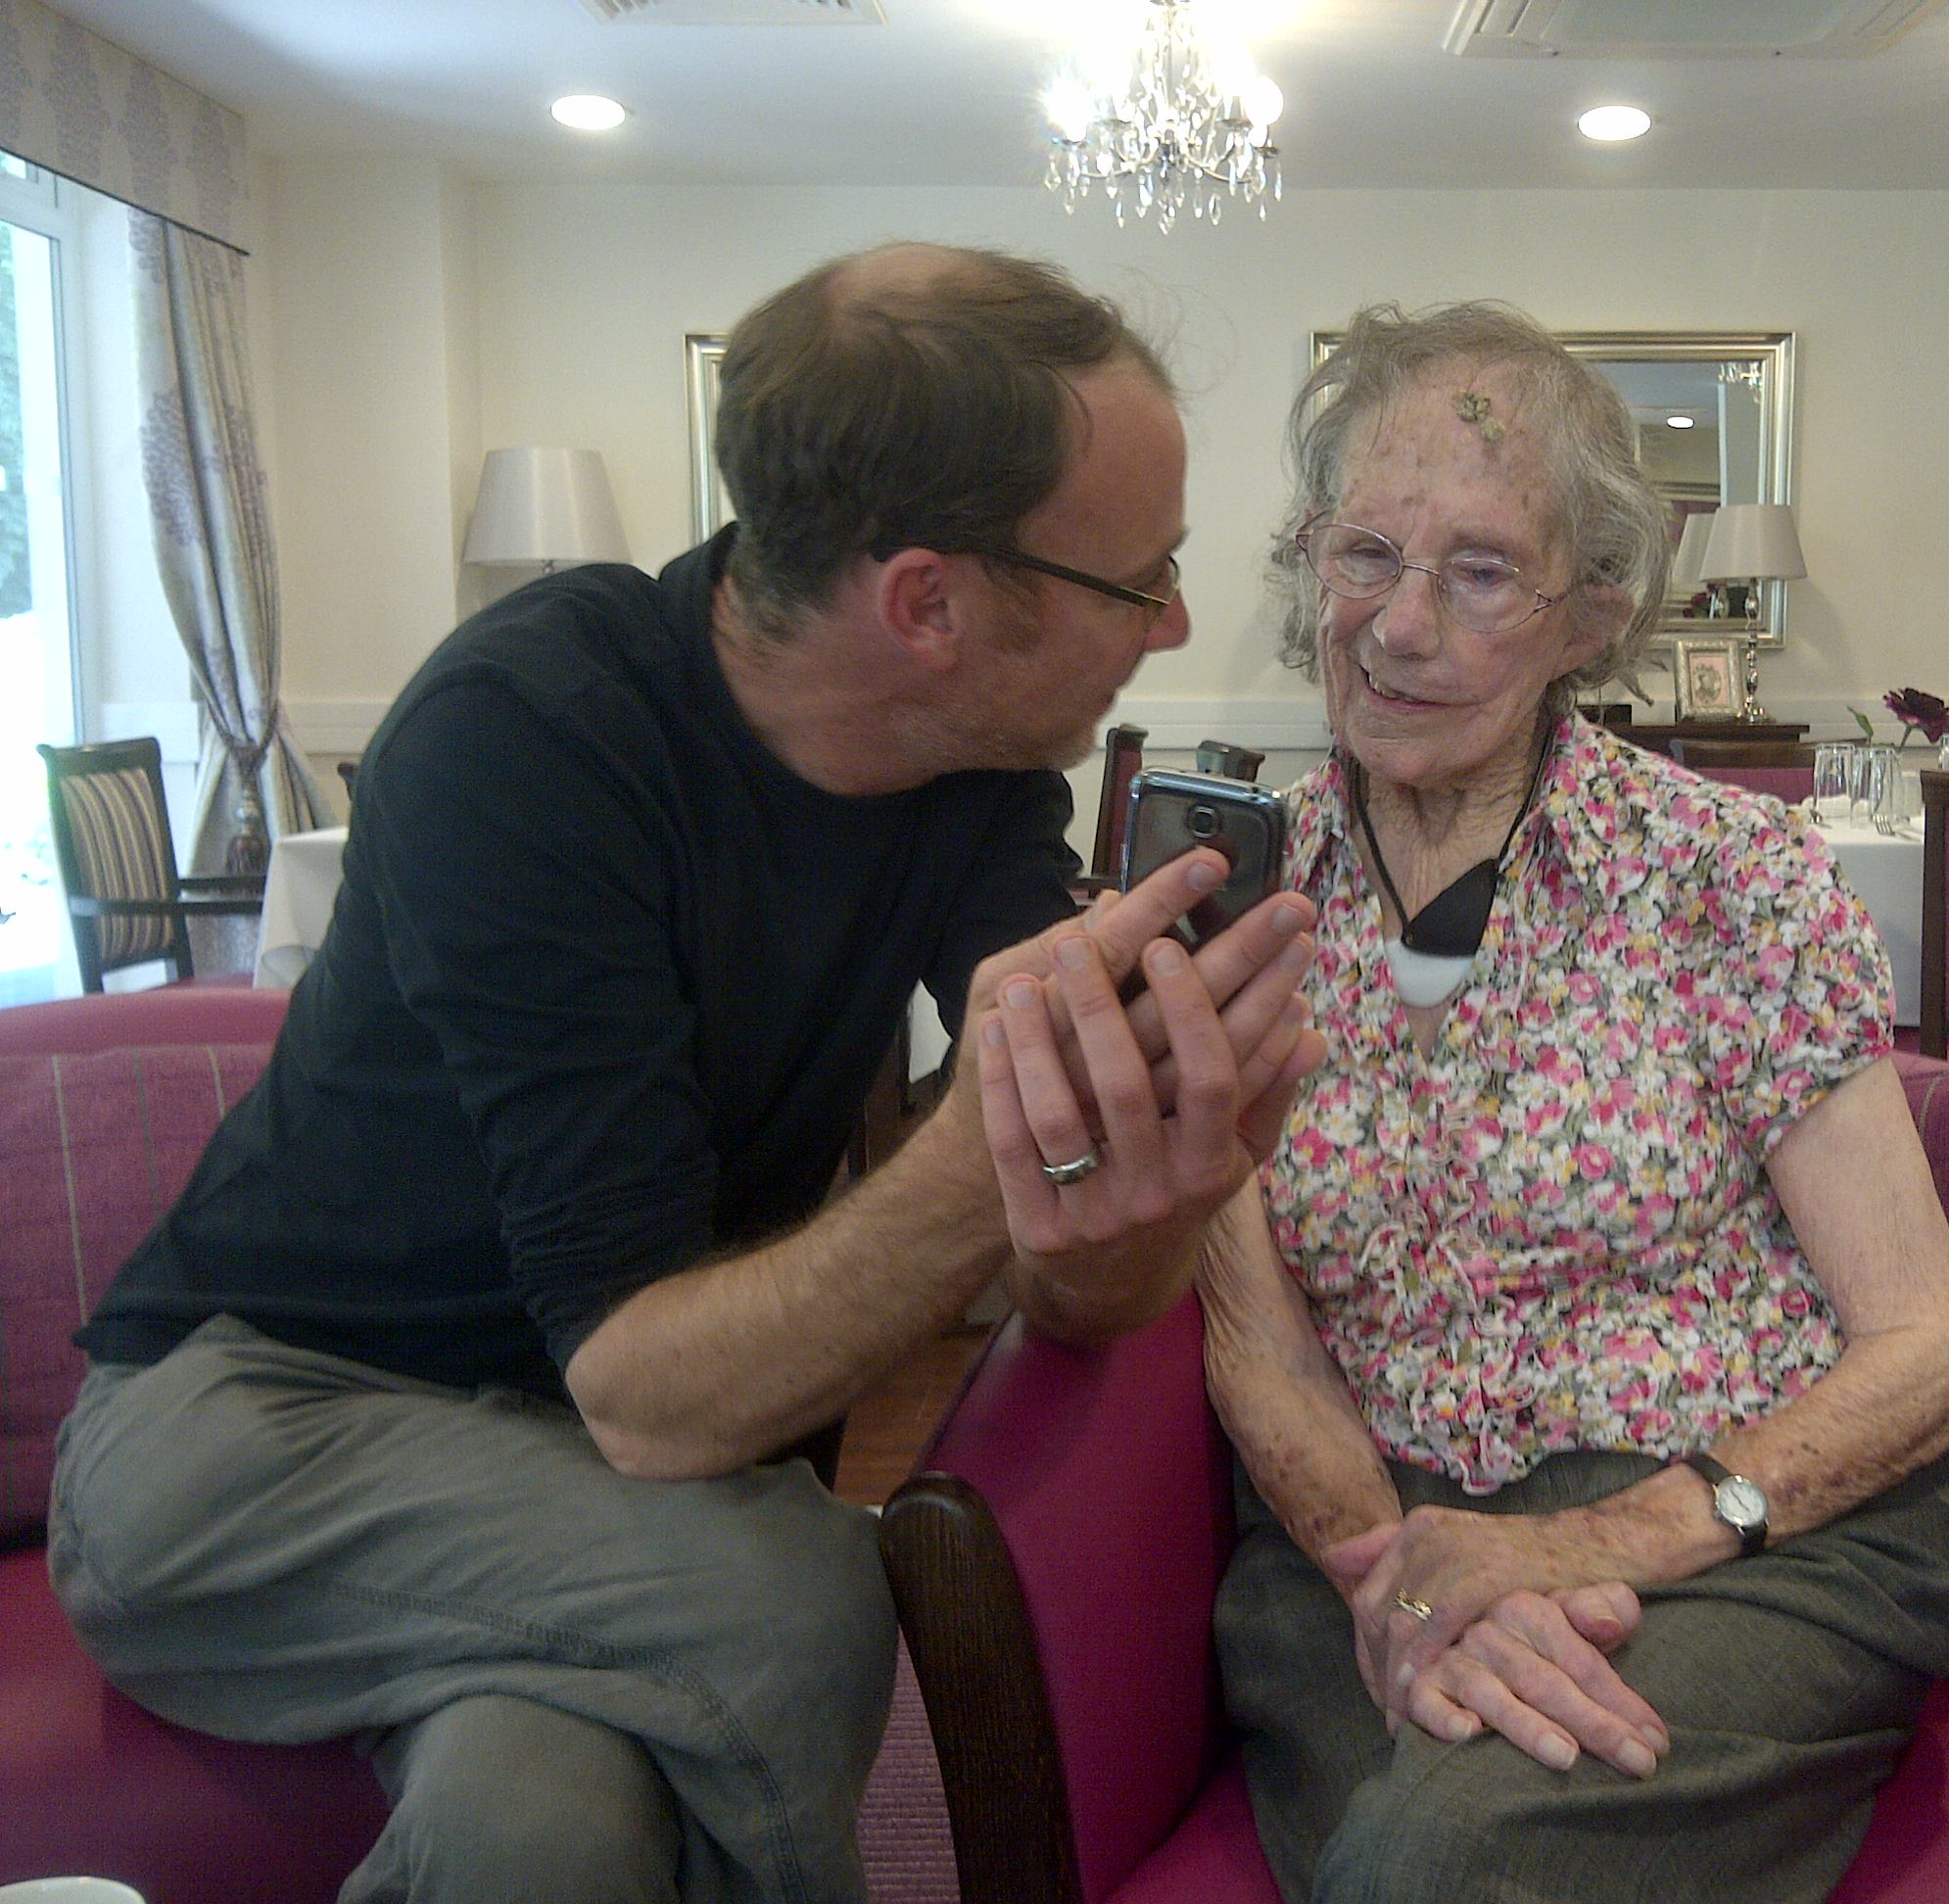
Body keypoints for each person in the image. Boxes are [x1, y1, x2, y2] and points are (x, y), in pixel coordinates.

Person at [48, 243, 1321, 1904]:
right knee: (794, 1597)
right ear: (927, 603)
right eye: (1136, 577)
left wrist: (1156, 1162)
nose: (1172, 621)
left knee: (546, 1831)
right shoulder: (528, 736)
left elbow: (1076, 1292)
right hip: (248, 1438)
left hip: (576, 1493)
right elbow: (654, 1396)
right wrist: (975, 1168)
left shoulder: (977, 773)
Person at [1199, 304, 1949, 1904]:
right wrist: (1396, 1570)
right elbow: (1255, 1335)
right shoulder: (1236, 901)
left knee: (1431, 1861)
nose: (1396, 627)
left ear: (1591, 615)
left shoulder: (1727, 879)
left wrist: (1576, 1553)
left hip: (1739, 1537)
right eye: (1362, 555)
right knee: (1413, 1857)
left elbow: (1931, 1353)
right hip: (1364, 1524)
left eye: (1480, 572)